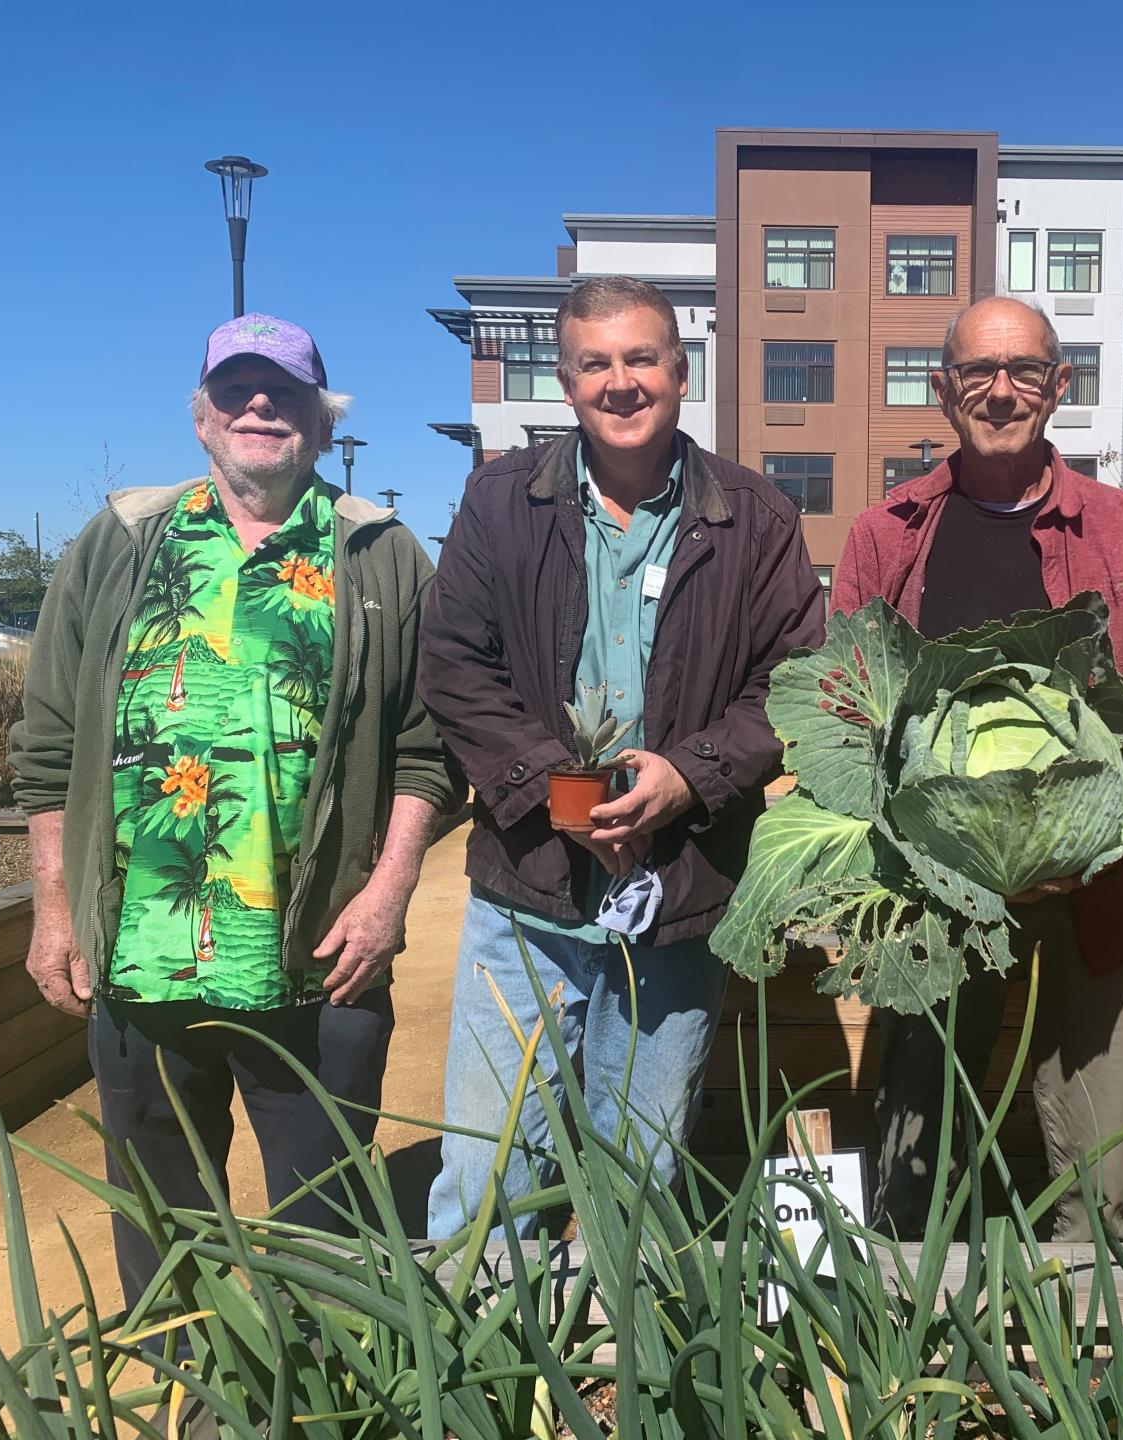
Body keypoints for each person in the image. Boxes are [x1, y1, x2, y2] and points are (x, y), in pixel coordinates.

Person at [10, 314, 456, 1304]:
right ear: (204, 416)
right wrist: (53, 904)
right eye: (237, 389)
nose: (261, 406)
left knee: (325, 1238)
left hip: (318, 962)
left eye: (286, 391)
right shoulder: (123, 540)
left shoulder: (380, 555)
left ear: (321, 419)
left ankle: (315, 1399)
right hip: (142, 954)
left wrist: (387, 895)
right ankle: (190, 1400)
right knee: (165, 1238)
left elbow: (429, 748)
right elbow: (48, 741)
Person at [420, 276, 824, 1237]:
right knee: (486, 1181)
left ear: (680, 373)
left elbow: (795, 679)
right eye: (595, 363)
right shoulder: (500, 505)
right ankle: (482, 1378)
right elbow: (453, 667)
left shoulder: (756, 521)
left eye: (641, 358)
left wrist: (690, 776)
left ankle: (624, 1376)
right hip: (527, 895)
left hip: (679, 895)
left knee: (639, 1180)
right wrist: (554, 794)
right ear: (566, 382)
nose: (621, 382)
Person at [833, 295, 1123, 1241]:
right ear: (943, 390)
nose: (1000, 392)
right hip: (931, 893)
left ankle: (1080, 1357)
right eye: (976, 373)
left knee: (1095, 1176)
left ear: (1059, 386)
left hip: (1102, 893)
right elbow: (845, 716)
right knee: (916, 1159)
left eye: (1025, 371)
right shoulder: (887, 535)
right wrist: (943, 852)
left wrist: (1076, 847)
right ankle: (912, 1356)